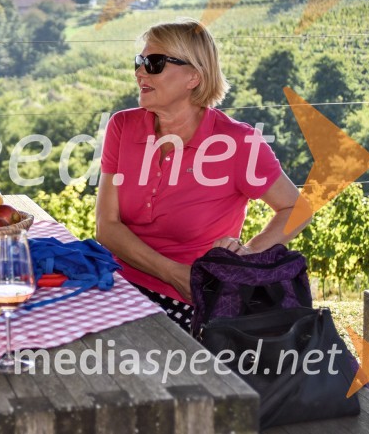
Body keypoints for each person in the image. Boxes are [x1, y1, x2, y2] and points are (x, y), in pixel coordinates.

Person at [95, 18, 308, 332]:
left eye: (153, 63)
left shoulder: (236, 142)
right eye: (139, 61)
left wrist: (247, 255)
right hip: (116, 284)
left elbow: (296, 208)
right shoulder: (122, 127)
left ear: (193, 76)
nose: (140, 72)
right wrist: (174, 273)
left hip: (193, 302)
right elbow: (106, 227)